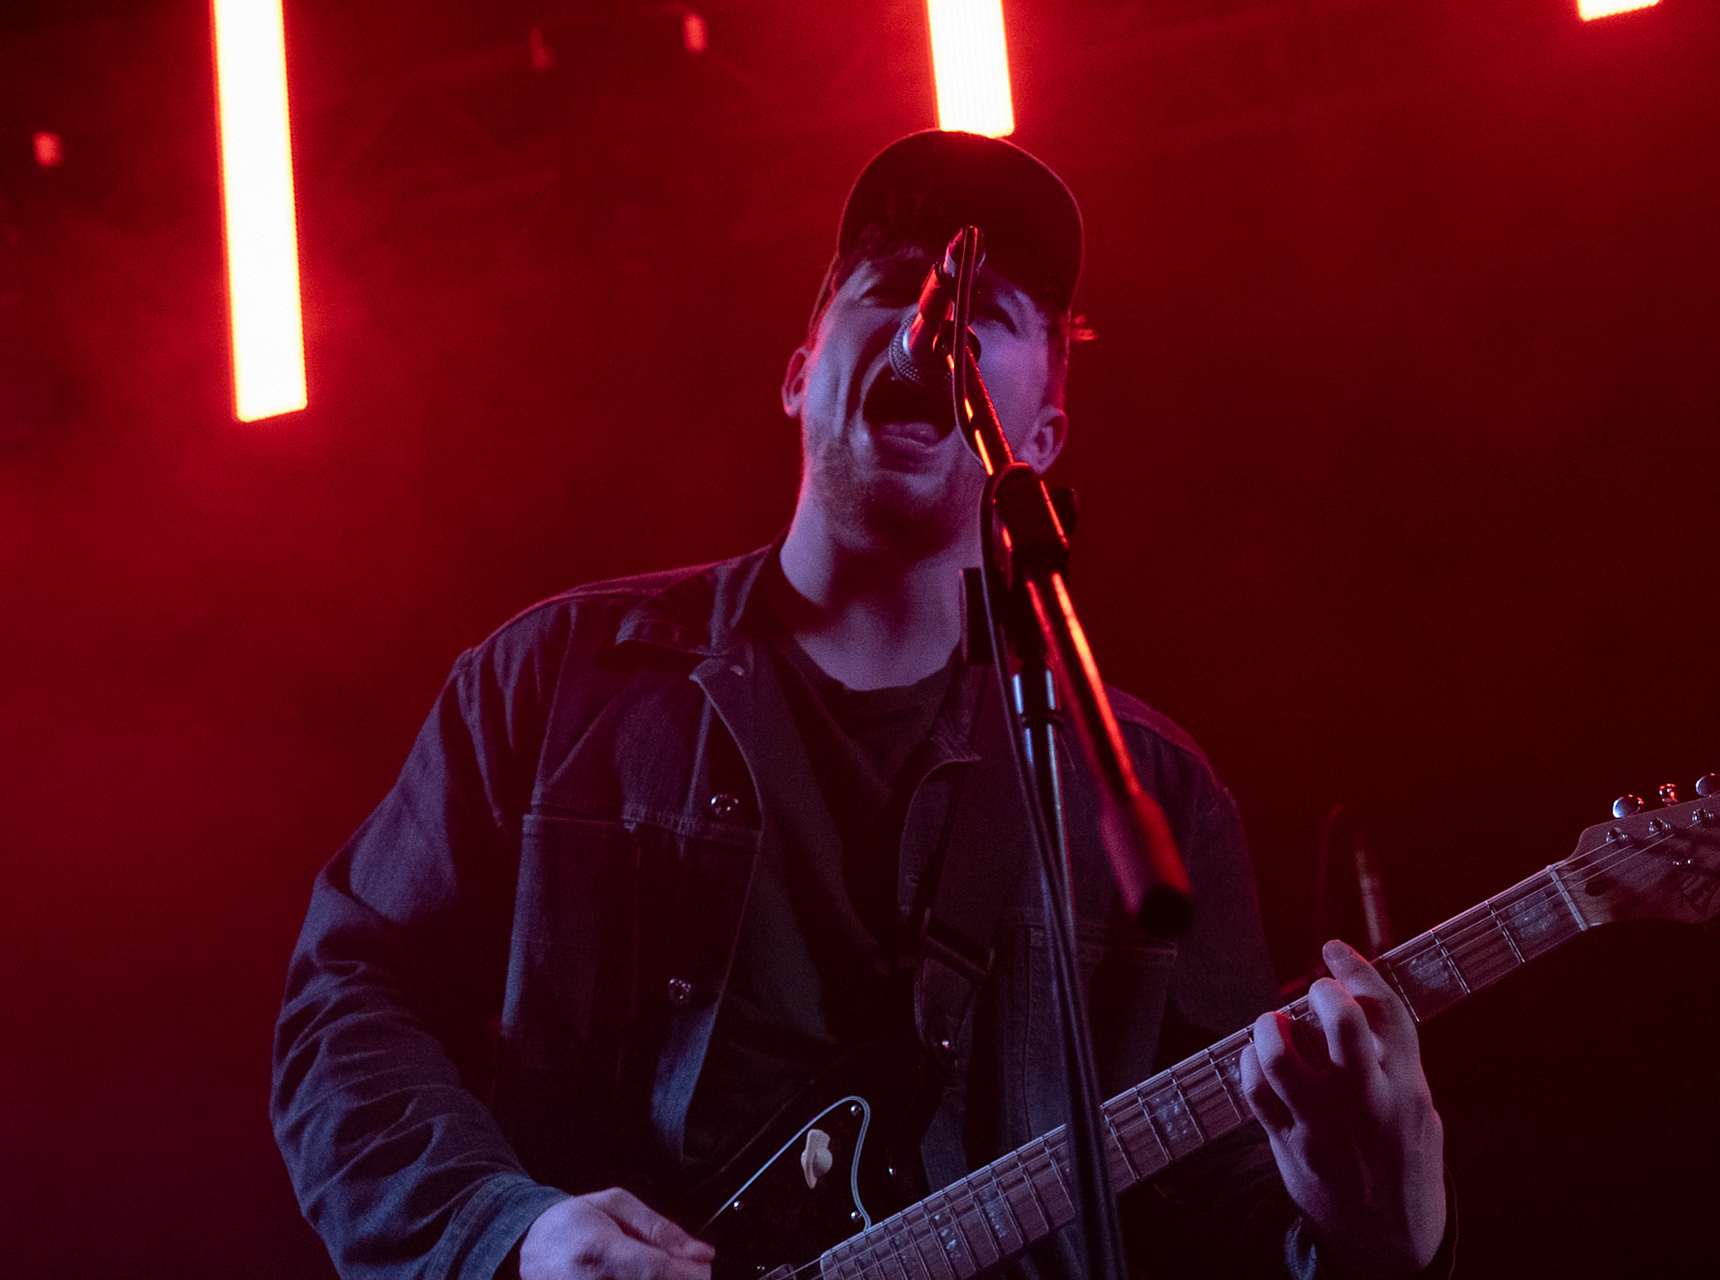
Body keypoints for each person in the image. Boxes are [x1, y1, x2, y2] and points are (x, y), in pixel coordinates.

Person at [271, 130, 1448, 1280]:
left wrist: (1379, 1243)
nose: (931, 316)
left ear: (1038, 436)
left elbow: (1217, 1215)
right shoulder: (557, 682)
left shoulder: (1152, 794)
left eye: (986, 312)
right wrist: (504, 1233)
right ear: (800, 373)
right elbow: (348, 1005)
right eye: (893, 285)